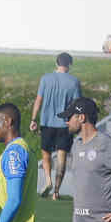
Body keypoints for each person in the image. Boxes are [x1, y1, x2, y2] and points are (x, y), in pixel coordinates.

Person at [29, 52, 82, 200]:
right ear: (69, 65)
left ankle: (48, 181)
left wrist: (33, 119)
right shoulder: (74, 82)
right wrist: (77, 123)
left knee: (45, 154)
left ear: (56, 63)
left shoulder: (45, 79)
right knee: (61, 157)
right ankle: (56, 192)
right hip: (65, 124)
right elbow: (78, 105)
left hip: (46, 122)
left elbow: (38, 100)